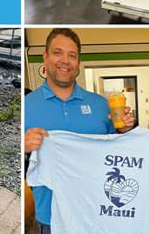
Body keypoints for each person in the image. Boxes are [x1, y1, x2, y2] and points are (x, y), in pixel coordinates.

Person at [24, 29, 134, 234]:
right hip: (50, 218)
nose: (65, 60)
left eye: (72, 55)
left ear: (78, 63)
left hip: (98, 214)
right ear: (45, 57)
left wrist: (127, 131)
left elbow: (120, 154)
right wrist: (22, 145)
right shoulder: (25, 105)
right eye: (57, 52)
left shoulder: (101, 105)